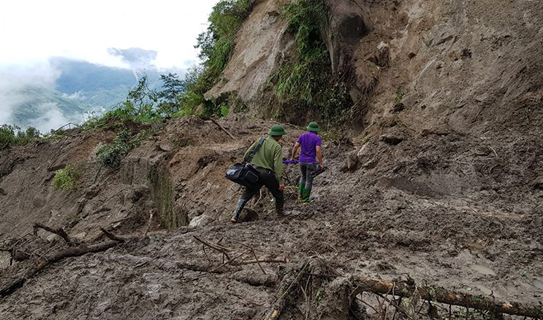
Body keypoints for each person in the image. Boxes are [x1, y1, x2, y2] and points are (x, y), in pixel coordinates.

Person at [231, 125, 287, 223]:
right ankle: (280, 214)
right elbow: (278, 165)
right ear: (277, 136)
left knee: (247, 193)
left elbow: (247, 154)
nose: (281, 137)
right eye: (281, 135)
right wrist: (280, 181)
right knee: (278, 194)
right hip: (267, 174)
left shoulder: (260, 140)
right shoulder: (277, 146)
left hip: (254, 173)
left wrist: (246, 163)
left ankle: (235, 215)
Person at [290, 122, 323, 205]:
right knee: (309, 180)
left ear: (308, 129)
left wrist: (292, 157)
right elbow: (318, 150)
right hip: (310, 162)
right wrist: (321, 163)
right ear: (316, 130)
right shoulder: (317, 138)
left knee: (303, 177)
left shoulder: (302, 136)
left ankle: (300, 197)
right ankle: (305, 200)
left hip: (301, 161)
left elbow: (295, 146)